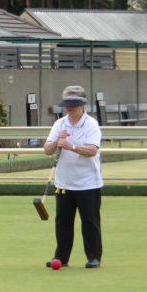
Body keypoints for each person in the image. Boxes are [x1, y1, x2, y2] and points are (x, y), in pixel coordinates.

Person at [43, 86, 104, 269]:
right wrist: (56, 142)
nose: (69, 108)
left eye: (73, 105)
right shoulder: (59, 124)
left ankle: (93, 257)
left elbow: (92, 150)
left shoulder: (91, 124)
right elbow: (47, 150)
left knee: (90, 222)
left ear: (82, 105)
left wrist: (71, 146)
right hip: (63, 183)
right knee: (62, 222)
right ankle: (61, 257)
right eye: (67, 104)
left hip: (88, 183)